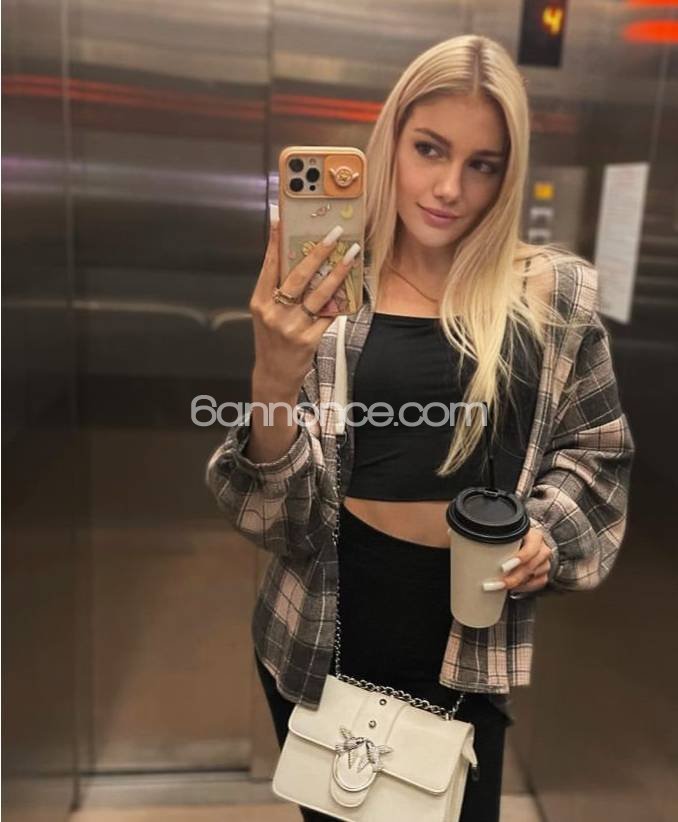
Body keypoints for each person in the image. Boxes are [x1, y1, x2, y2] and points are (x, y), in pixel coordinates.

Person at [205, 34, 635, 822]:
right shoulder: (330, 291)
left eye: (483, 164)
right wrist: (272, 375)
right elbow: (275, 522)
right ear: (391, 142)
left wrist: (545, 531)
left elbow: (595, 453)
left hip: (469, 637)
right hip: (325, 632)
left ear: (510, 173)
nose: (448, 188)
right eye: (429, 148)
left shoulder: (551, 294)